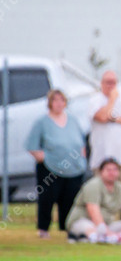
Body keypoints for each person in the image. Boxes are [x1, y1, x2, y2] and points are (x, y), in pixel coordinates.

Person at [26, 89, 87, 238]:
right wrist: (43, 158)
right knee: (47, 198)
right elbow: (32, 145)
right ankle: (43, 229)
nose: (59, 103)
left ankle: (66, 228)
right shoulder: (42, 122)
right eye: (55, 100)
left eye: (62, 100)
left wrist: (81, 158)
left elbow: (81, 142)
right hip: (51, 168)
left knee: (70, 199)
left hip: (73, 169)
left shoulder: (73, 120)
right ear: (50, 103)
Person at [88, 70, 121, 220]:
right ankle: (102, 222)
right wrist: (111, 100)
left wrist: (115, 119)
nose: (111, 86)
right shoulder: (95, 100)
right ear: (101, 83)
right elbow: (102, 117)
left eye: (113, 82)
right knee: (101, 192)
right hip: (102, 157)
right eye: (108, 82)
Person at [65, 158, 121, 243]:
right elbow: (93, 212)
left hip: (107, 224)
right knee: (92, 229)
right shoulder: (93, 185)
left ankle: (116, 238)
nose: (112, 173)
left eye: (115, 170)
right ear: (101, 172)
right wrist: (107, 232)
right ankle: (93, 237)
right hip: (85, 221)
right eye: (108, 170)